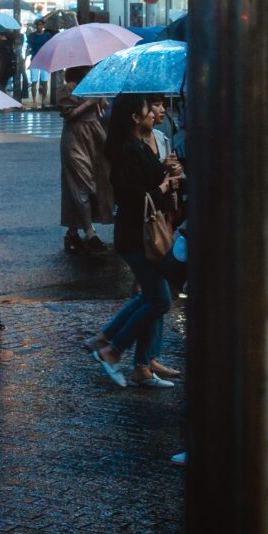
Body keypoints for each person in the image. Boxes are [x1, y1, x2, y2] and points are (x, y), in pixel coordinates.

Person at [88, 94, 182, 389]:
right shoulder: (128, 151)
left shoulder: (138, 147)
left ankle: (110, 344)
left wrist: (168, 172)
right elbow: (132, 200)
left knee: (151, 297)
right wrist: (165, 184)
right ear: (134, 117)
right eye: (148, 107)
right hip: (136, 237)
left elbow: (150, 182)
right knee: (159, 299)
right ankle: (112, 350)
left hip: (140, 236)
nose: (155, 112)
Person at [58, 79, 112, 256]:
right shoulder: (68, 88)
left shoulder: (96, 84)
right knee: (82, 183)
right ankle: (90, 232)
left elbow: (104, 106)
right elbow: (69, 114)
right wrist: (90, 101)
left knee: (94, 181)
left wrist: (101, 100)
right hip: (74, 138)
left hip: (94, 137)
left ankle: (72, 232)